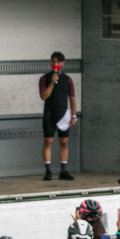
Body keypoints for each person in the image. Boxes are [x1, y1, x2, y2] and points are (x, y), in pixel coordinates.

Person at [40, 51, 78, 181]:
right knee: (48, 141)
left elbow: (72, 98)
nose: (56, 64)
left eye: (58, 62)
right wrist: (52, 82)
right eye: (53, 61)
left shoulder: (68, 79)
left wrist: (74, 116)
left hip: (63, 114)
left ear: (63, 63)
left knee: (64, 142)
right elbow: (44, 96)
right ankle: (48, 171)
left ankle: (63, 170)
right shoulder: (44, 78)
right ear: (51, 63)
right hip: (49, 114)